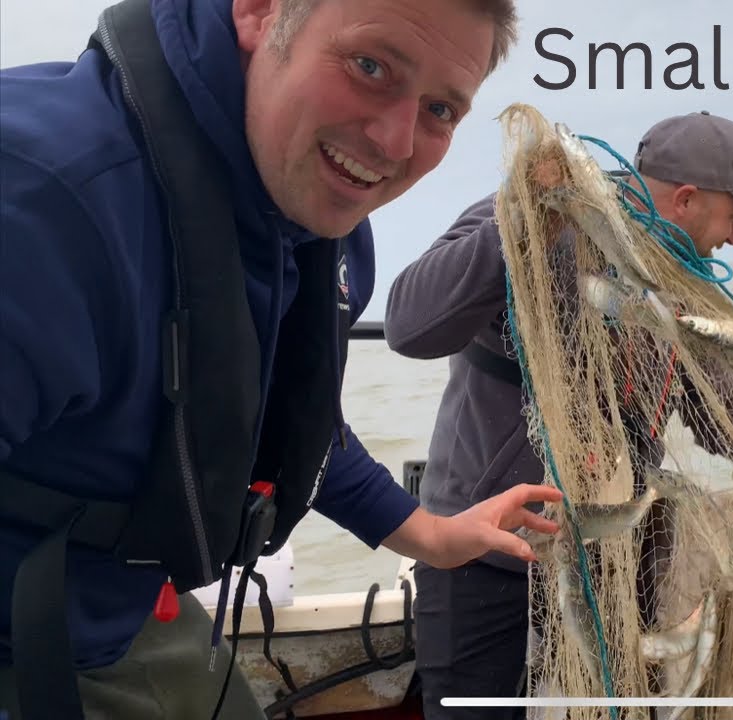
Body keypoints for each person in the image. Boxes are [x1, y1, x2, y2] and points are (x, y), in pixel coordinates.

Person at [0, 0, 563, 718]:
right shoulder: (40, 204)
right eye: (370, 67)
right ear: (259, 11)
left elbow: (284, 419)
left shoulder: (314, 221)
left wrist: (434, 535)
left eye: (441, 109)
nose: (394, 143)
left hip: (124, 612)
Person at [384, 110, 733, 718]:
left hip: (611, 558)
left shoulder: (676, 286)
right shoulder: (537, 210)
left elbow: (724, 418)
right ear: (686, 199)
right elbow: (409, 325)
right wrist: (525, 222)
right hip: (481, 551)